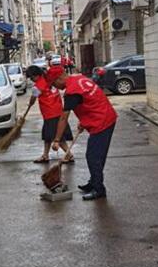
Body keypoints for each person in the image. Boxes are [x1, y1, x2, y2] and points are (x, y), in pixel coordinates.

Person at [46, 66, 117, 201]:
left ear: (60, 77)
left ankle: (99, 189)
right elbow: (88, 100)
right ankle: (94, 182)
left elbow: (63, 118)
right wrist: (85, 121)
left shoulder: (72, 92)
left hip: (102, 122)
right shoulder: (78, 78)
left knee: (93, 156)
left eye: (54, 83)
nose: (55, 87)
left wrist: (56, 140)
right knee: (97, 156)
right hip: (105, 116)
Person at [26, 65, 73, 164]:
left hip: (51, 113)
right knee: (47, 136)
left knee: (57, 137)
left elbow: (33, 97)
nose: (31, 80)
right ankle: (45, 155)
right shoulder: (48, 79)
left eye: (32, 77)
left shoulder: (38, 85)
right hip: (57, 111)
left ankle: (69, 154)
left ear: (37, 75)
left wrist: (30, 103)